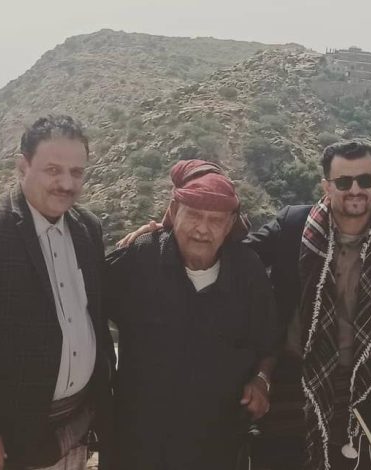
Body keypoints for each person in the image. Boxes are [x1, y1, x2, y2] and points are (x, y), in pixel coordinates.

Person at [119, 140, 371, 470]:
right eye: (344, 182)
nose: (355, 190)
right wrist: (167, 231)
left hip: (361, 391)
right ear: (326, 186)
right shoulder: (295, 225)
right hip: (292, 384)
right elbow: (235, 252)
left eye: (365, 180)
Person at [0, 115, 115, 470]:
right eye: (53, 170)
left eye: (76, 172)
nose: (66, 183)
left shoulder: (88, 228)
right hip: (4, 443)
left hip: (73, 431)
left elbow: (95, 317)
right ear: (23, 166)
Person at [105, 160, 281, 469]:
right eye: (194, 215)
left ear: (230, 224)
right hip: (138, 444)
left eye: (215, 220)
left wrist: (262, 380)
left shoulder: (248, 271)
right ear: (174, 212)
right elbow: (85, 316)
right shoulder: (139, 258)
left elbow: (267, 341)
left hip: (217, 444)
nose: (202, 229)